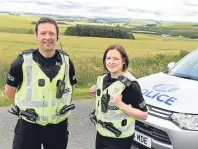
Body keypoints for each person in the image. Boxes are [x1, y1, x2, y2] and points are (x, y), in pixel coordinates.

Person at [4, 17, 77, 149]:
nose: (47, 37)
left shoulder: (67, 61)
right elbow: (9, 91)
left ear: (57, 37)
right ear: (36, 36)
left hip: (57, 127)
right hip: (28, 126)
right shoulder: (22, 62)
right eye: (43, 33)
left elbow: (71, 87)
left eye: (51, 33)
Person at [89, 44, 148, 149]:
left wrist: (120, 104)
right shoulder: (103, 79)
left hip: (119, 139)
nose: (111, 62)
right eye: (108, 58)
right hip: (101, 134)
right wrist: (96, 94)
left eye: (116, 58)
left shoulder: (130, 85)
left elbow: (144, 115)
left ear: (123, 61)